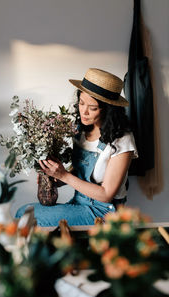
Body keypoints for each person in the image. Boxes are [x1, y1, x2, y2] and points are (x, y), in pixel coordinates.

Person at [15, 68, 138, 226]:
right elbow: (80, 172)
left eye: (92, 108)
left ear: (108, 110)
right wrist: (55, 178)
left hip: (105, 212)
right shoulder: (81, 131)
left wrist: (64, 176)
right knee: (23, 212)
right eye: (81, 103)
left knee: (28, 219)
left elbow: (106, 194)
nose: (84, 112)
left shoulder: (122, 140)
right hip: (80, 204)